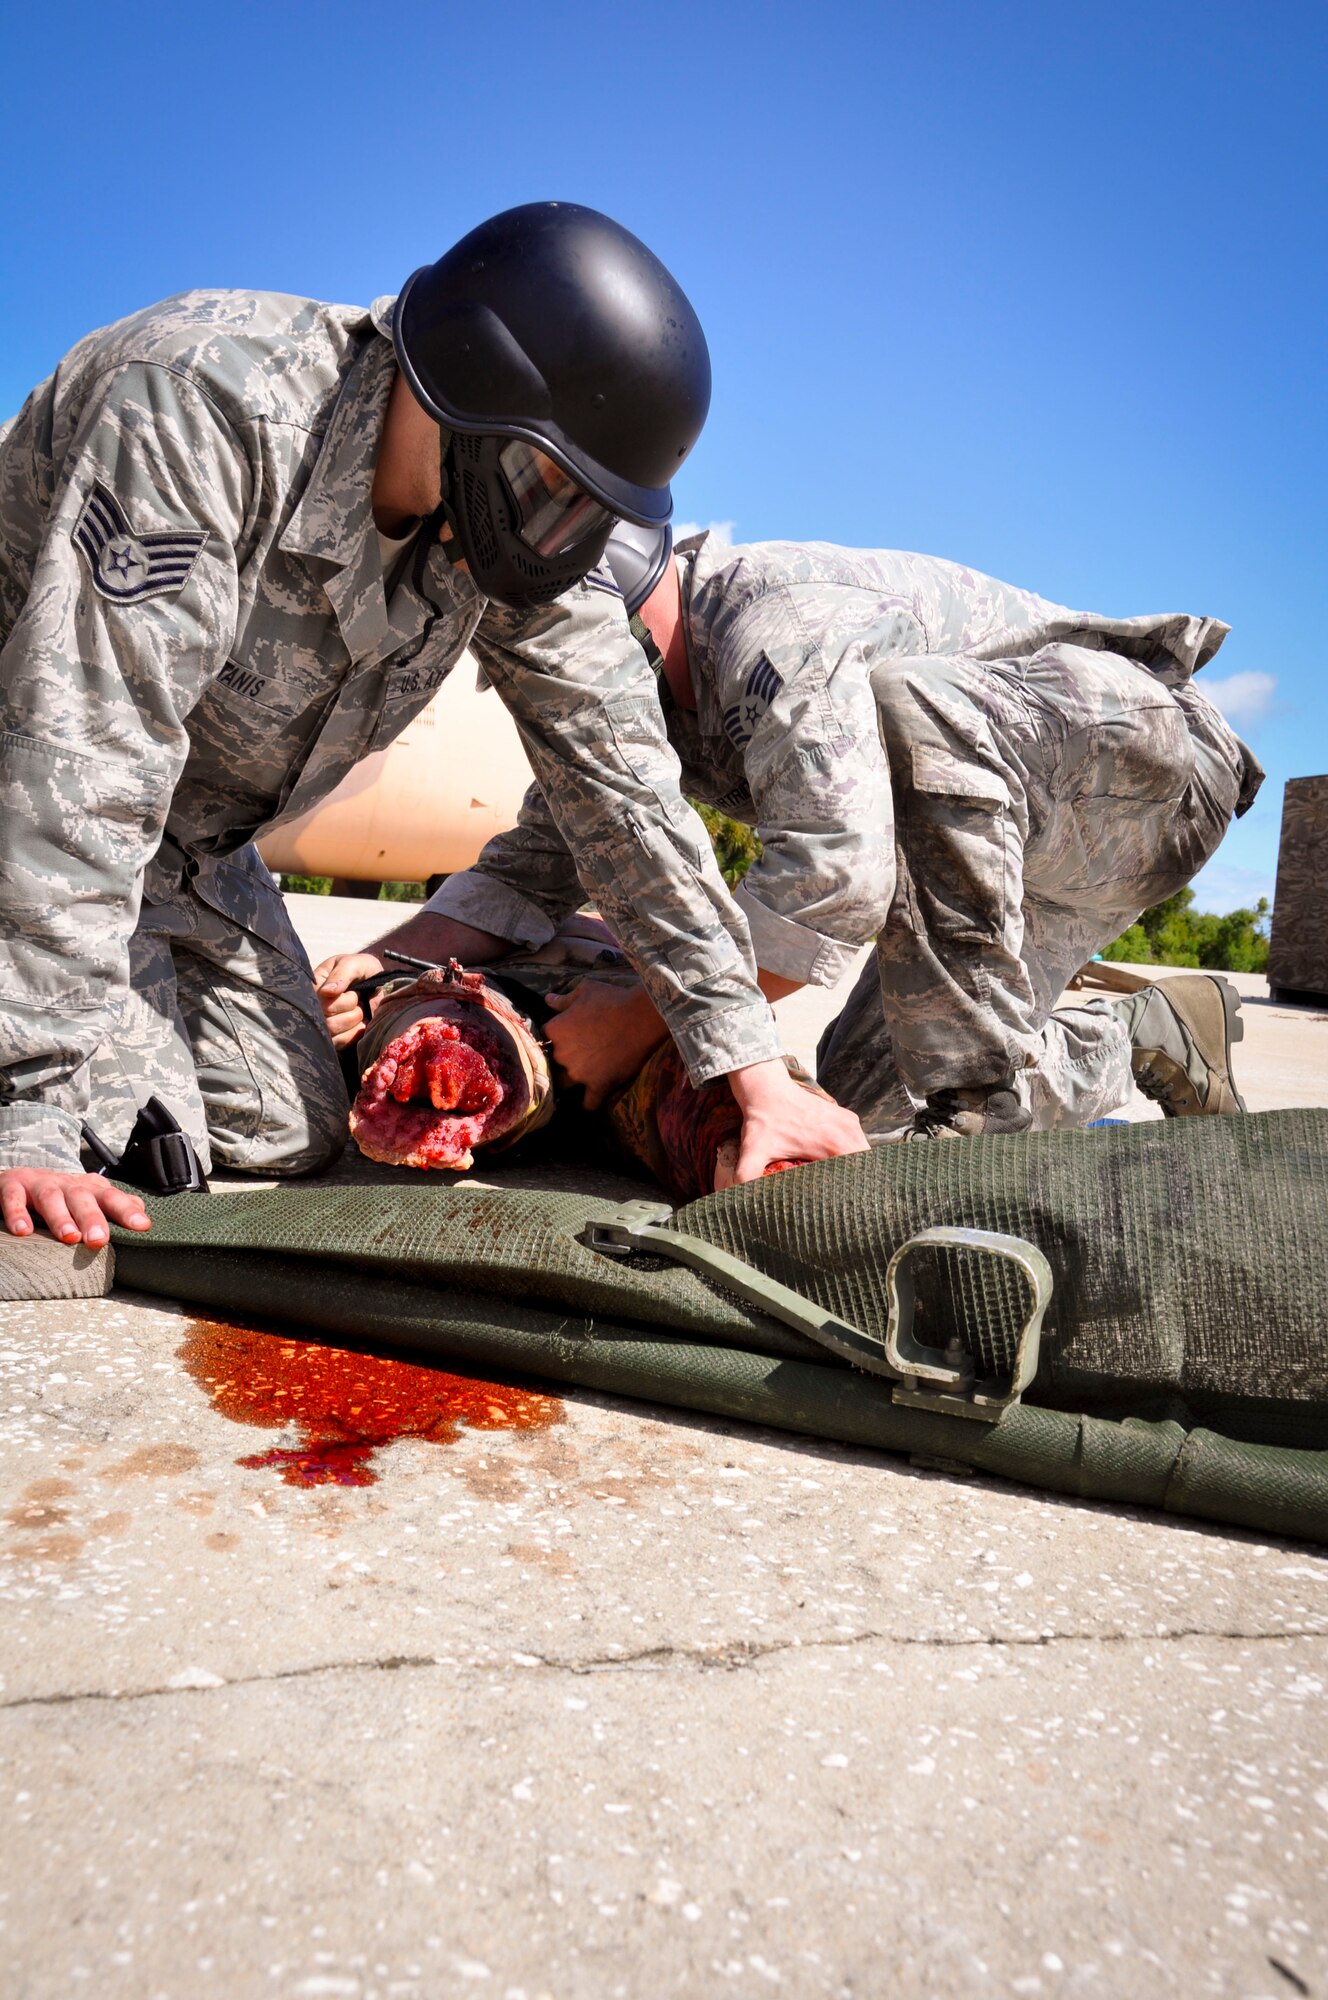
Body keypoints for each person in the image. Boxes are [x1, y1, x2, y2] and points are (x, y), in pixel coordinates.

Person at [0, 204, 867, 1252]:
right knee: (103, 1140)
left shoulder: (500, 525)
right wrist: (28, 1100)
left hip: (183, 856)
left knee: (286, 1127)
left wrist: (750, 1068)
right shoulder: (205, 404)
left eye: (586, 508)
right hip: (35, 792)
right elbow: (83, 749)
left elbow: (627, 797)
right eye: (551, 486)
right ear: (471, 389)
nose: (563, 536)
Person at [318, 530, 1261, 1139]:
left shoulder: (771, 629)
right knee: (875, 1120)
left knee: (914, 710)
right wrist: (380, 964)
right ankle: (1145, 1031)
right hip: (1012, 831)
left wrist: (646, 1022)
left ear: (625, 616)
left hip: (1146, 770)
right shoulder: (642, 708)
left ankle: (976, 1109)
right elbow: (532, 869)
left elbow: (839, 879)